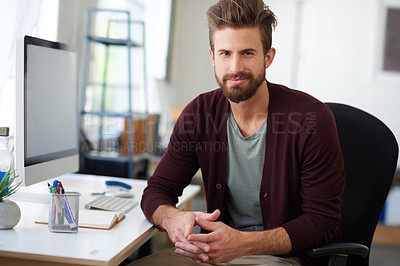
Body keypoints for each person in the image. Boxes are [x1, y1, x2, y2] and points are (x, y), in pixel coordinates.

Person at [132, 0, 344, 265]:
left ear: (268, 57)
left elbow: (323, 222)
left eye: (247, 53)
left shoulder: (311, 119)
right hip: (211, 254)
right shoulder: (199, 114)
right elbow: (157, 191)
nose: (235, 68)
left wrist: (243, 244)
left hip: (279, 258)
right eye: (225, 53)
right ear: (212, 56)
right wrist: (172, 218)